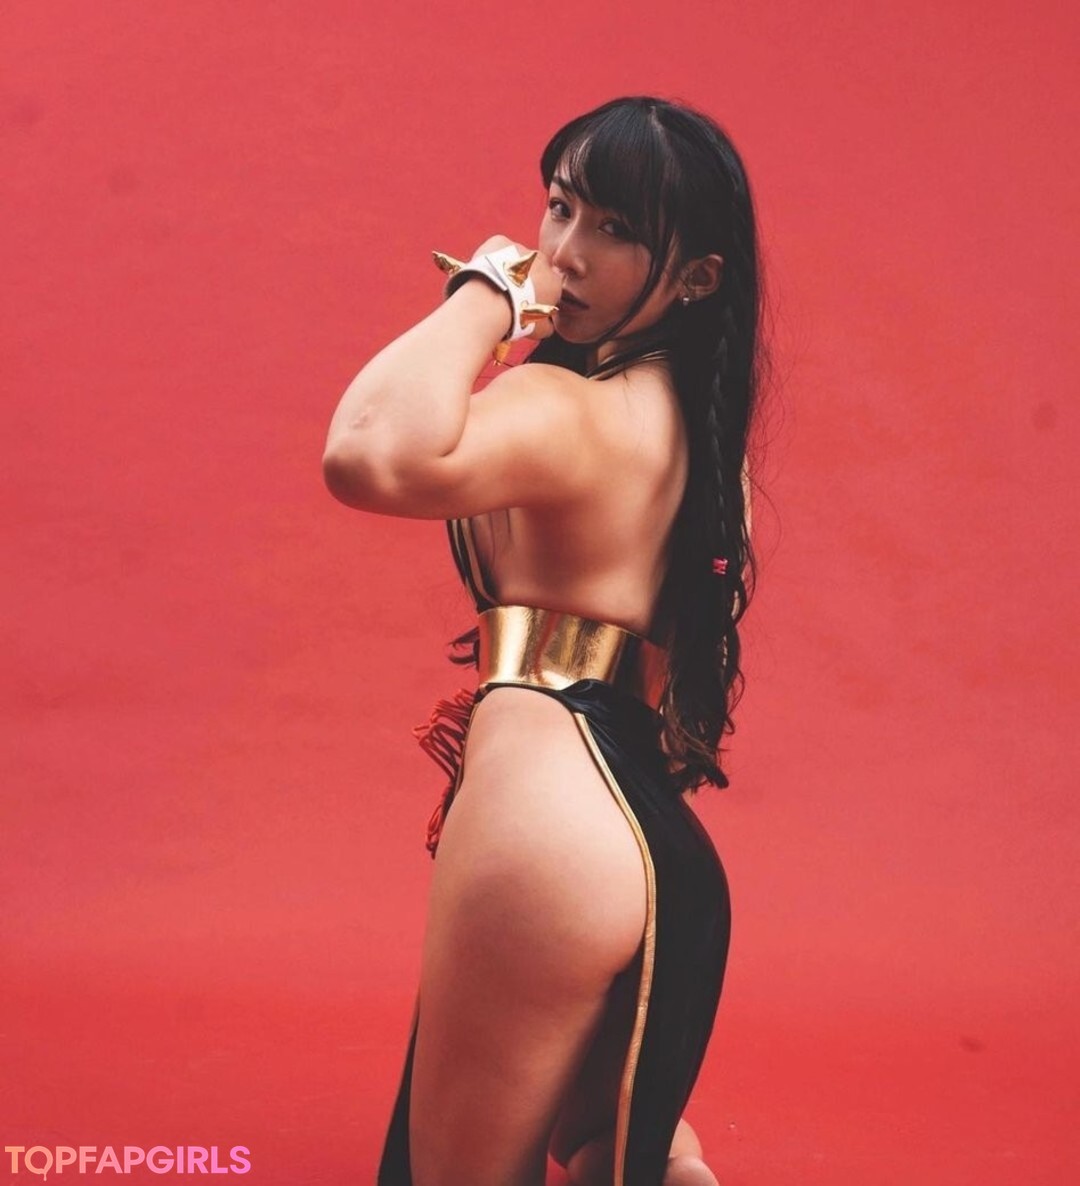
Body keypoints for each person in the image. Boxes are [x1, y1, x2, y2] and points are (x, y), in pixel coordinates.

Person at [323, 94, 765, 1186]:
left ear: (696, 278)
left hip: (541, 838)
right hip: (657, 853)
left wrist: (488, 289)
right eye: (560, 207)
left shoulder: (570, 410)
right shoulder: (702, 448)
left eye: (614, 229)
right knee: (616, 1153)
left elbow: (367, 452)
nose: (565, 252)